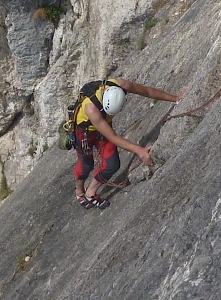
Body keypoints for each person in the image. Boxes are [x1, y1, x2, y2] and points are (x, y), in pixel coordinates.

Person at [70, 76, 179, 208]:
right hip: (84, 131)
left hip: (103, 125)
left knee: (112, 165)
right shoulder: (91, 109)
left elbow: (146, 91)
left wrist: (176, 98)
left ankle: (90, 192)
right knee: (86, 164)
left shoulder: (120, 84)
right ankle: (79, 191)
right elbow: (113, 137)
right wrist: (140, 150)